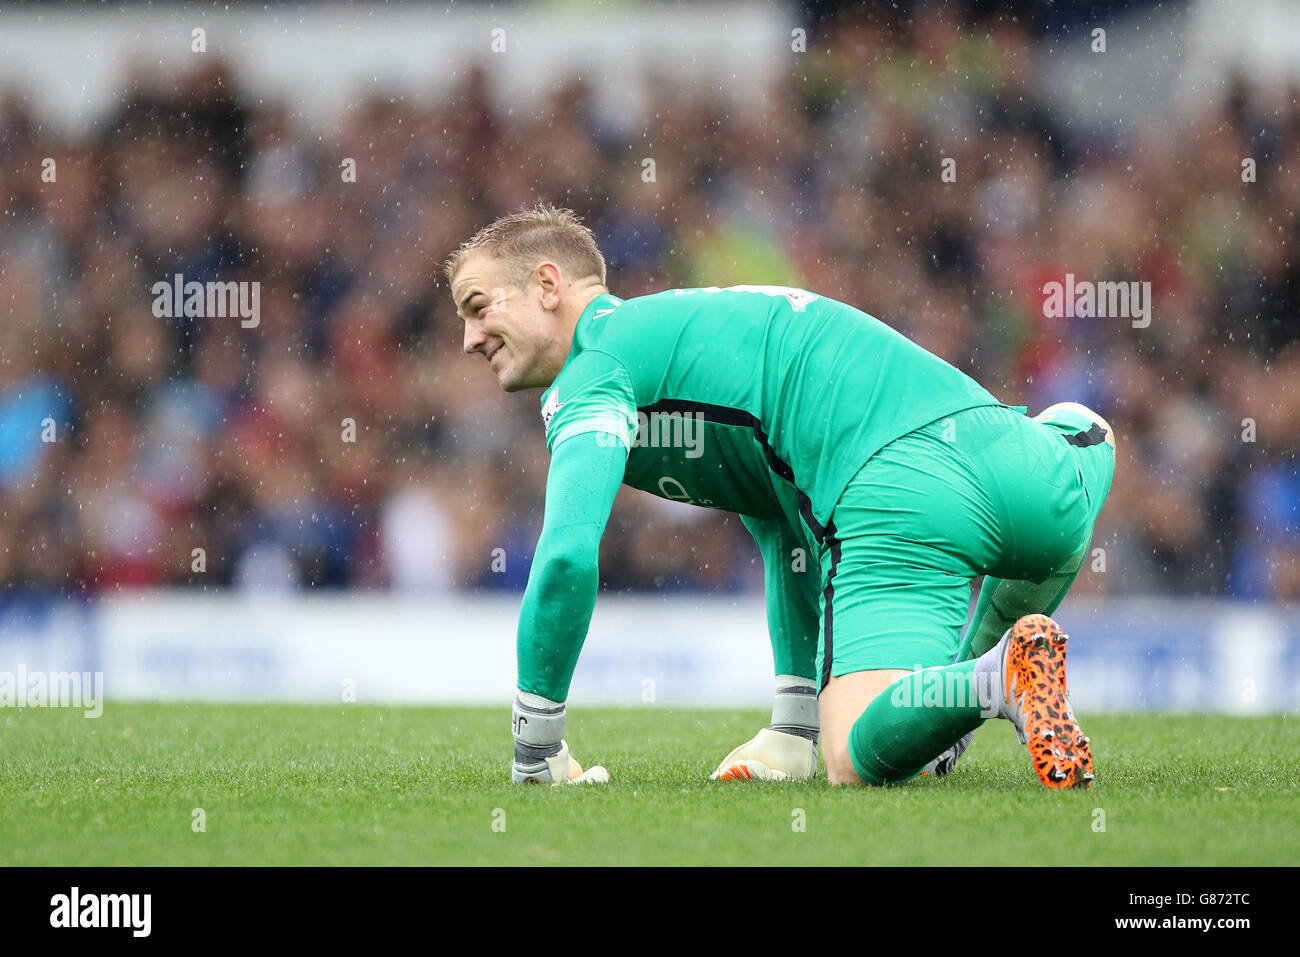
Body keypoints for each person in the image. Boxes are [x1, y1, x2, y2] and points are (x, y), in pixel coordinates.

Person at [444, 204, 1114, 789]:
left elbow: (565, 554)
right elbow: (779, 515)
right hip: (1036, 465)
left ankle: (990, 678)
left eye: (479, 307)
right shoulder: (690, 335)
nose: (470, 339)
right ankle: (958, 700)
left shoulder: (597, 371)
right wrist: (791, 725)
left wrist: (537, 744)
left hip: (902, 495)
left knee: (852, 754)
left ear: (547, 284)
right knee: (1088, 431)